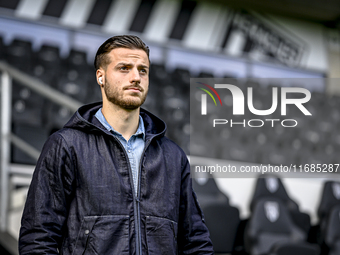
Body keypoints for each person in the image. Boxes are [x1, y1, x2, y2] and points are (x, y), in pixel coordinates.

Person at [19, 35, 214, 254]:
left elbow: (196, 241)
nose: (135, 77)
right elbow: (38, 238)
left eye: (143, 70)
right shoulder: (66, 145)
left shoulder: (173, 156)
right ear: (101, 77)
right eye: (124, 68)